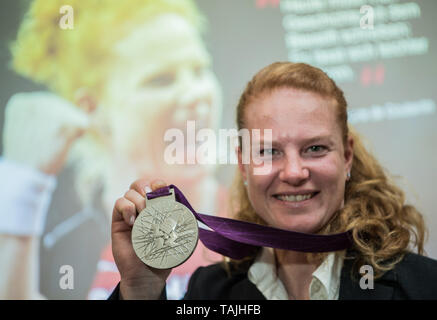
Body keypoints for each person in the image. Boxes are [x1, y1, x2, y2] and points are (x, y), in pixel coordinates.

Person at [109, 62, 437, 300]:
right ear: (243, 164)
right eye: (268, 151)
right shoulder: (208, 293)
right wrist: (140, 291)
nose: (294, 173)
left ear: (346, 156)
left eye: (315, 148)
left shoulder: (424, 286)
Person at [0, 0, 223, 299]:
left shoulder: (257, 219)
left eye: (200, 69)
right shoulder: (59, 245)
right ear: (93, 108)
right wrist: (22, 191)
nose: (197, 92)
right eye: (161, 79)